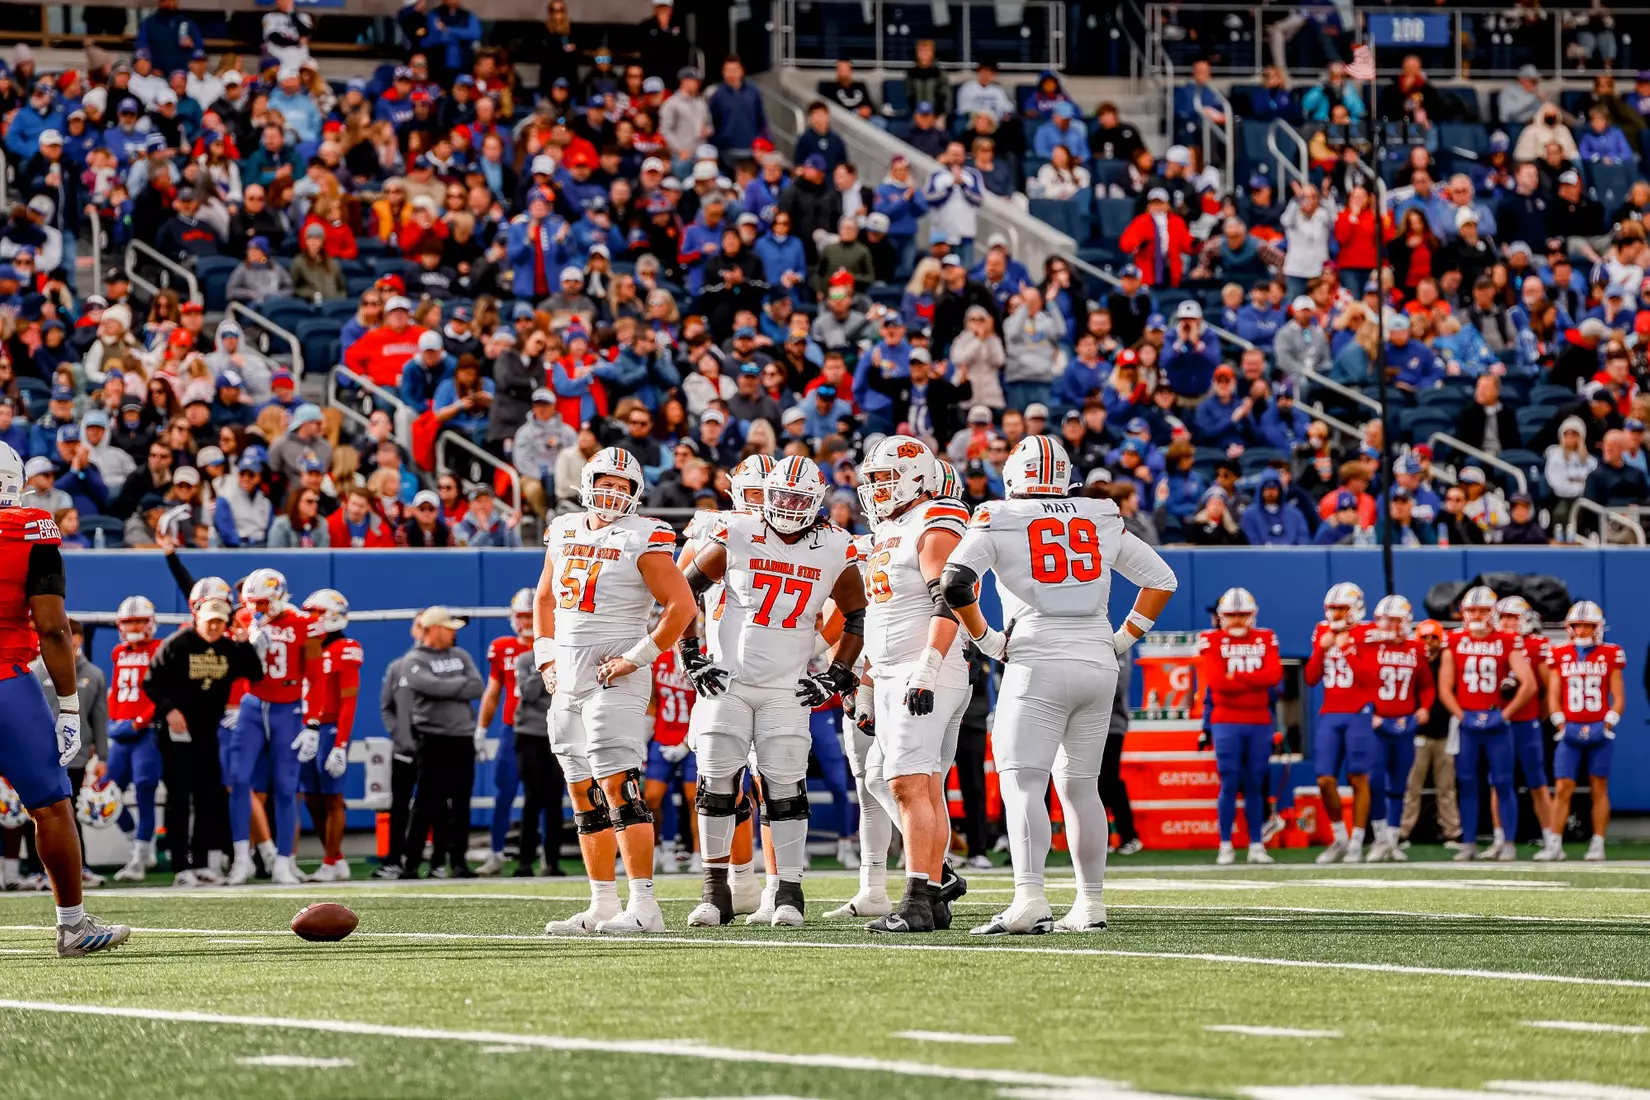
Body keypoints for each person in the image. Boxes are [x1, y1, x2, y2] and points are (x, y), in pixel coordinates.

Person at [944, 435, 1177, 934]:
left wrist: (985, 640)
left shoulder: (997, 517)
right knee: (1081, 787)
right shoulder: (1099, 514)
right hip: (1097, 660)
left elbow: (954, 583)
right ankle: (1091, 904)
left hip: (1036, 659)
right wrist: (1120, 639)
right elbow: (1162, 580)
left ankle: (1030, 897)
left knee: (1024, 782)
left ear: (1014, 476)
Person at [676, 456, 863, 929]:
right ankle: (715, 893)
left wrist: (837, 673)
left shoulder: (835, 546)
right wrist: (689, 653)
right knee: (716, 784)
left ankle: (789, 894)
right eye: (780, 496)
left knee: (785, 789)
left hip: (786, 687)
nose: (786, 507)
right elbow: (686, 590)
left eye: (798, 499)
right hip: (729, 683)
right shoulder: (737, 531)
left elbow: (857, 613)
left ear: (816, 504)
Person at [535, 447, 696, 935]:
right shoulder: (562, 529)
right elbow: (544, 597)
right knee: (581, 791)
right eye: (604, 482)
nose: (612, 492)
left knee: (619, 786)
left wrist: (637, 657)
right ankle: (602, 903)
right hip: (568, 678)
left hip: (614, 677)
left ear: (636, 492)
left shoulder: (644, 535)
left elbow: (682, 606)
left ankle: (645, 906)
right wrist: (545, 657)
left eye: (622, 486)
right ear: (586, 483)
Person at [0, 442, 131, 953]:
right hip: (7, 681)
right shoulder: (31, 528)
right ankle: (73, 926)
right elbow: (54, 631)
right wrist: (71, 705)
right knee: (51, 806)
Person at [141, 593, 263, 885]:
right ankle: (181, 867)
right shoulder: (178, 644)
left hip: (209, 730)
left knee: (209, 794)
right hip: (177, 731)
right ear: (198, 618)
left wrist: (245, 643)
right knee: (179, 796)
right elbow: (150, 682)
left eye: (220, 621)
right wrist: (169, 710)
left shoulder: (229, 648)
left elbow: (255, 673)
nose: (214, 626)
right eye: (210, 620)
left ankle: (202, 863)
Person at [225, 568, 318, 886]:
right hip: (252, 705)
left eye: (263, 602)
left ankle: (283, 862)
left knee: (285, 786)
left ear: (279, 596)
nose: (256, 609)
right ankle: (241, 859)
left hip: (288, 708)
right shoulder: (244, 620)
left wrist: (313, 722)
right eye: (251, 603)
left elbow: (316, 674)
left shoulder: (304, 624)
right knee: (238, 779)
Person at [1437, 586, 1537, 861]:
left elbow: (1528, 683)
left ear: (1492, 612)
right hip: (1467, 719)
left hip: (1496, 720)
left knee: (1504, 782)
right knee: (1467, 783)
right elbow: (1445, 688)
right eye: (1472, 610)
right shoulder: (1454, 640)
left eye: (1483, 610)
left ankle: (1508, 843)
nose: (1478, 615)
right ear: (1464, 613)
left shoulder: (1507, 639)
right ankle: (1468, 842)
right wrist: (1461, 715)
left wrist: (1504, 715)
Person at [398, 606, 484, 878]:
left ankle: (458, 862)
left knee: (460, 803)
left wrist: (446, 686)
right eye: (449, 628)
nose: (454, 633)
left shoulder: (461, 655)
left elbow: (476, 686)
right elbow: (430, 686)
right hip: (432, 740)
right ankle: (411, 864)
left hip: (461, 739)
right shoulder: (413, 660)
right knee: (425, 804)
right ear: (434, 629)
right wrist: (455, 685)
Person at [1198, 588, 1282, 865]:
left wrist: (1237, 675)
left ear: (1252, 615)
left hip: (1259, 720)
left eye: (1241, 615)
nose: (1235, 621)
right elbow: (1218, 683)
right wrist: (1253, 680)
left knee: (1256, 782)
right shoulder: (1211, 639)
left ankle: (1256, 844)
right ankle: (1226, 844)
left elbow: (1274, 675)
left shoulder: (1266, 637)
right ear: (1221, 616)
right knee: (1230, 780)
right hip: (1226, 720)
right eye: (1231, 615)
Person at [1543, 601, 1625, 862]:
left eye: (1587, 625)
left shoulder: (1610, 653)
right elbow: (1554, 694)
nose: (1582, 630)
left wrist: (1608, 723)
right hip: (1571, 728)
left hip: (1599, 729)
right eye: (1578, 625)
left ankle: (1598, 843)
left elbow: (1619, 697)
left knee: (1599, 786)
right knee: (1563, 785)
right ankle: (1555, 843)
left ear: (1597, 627)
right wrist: (1559, 722)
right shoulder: (1560, 653)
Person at [1305, 583, 1379, 863]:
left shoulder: (1367, 631)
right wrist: (1320, 651)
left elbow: (1370, 679)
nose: (1336, 614)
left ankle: (1358, 842)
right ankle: (1340, 837)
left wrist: (1348, 650)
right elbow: (1311, 678)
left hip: (1358, 712)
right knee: (1325, 780)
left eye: (1342, 608)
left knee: (1359, 778)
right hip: (1331, 712)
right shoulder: (1321, 630)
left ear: (1356, 608)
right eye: (1333, 609)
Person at [1362, 596, 1434, 864]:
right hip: (1378, 724)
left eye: (1395, 620)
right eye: (1386, 620)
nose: (1390, 626)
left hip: (1405, 724)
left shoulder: (1416, 649)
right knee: (1375, 781)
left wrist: (1424, 708)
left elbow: (1426, 684)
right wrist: (1369, 710)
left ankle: (1392, 839)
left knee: (1399, 785)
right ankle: (1380, 837)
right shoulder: (1369, 645)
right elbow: (1358, 681)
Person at [293, 589, 359, 882]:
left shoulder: (346, 648)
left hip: (331, 729)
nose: (311, 619)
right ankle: (336, 859)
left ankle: (331, 860)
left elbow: (349, 700)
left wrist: (341, 744)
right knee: (310, 797)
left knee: (332, 798)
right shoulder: (310, 646)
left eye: (317, 613)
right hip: (308, 728)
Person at [104, 595, 164, 883]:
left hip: (147, 732)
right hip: (122, 731)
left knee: (144, 789)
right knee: (106, 794)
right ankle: (136, 843)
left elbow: (162, 692)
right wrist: (113, 720)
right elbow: (116, 689)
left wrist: (142, 720)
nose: (134, 627)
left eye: (139, 621)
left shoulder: (159, 649)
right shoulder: (118, 652)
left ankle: (140, 858)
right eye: (129, 622)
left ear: (151, 622)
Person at [1493, 596, 1558, 862]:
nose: (1508, 622)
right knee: (1498, 783)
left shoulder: (1536, 645)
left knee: (1538, 782)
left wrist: (1539, 715)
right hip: (1498, 724)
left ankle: (1552, 838)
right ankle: (1501, 839)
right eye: (1504, 616)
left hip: (1527, 723)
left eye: (1514, 617)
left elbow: (1549, 687)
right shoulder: (1493, 644)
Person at [475, 588, 534, 876]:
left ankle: (545, 856)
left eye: (532, 615)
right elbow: (493, 691)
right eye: (523, 615)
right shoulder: (503, 647)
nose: (528, 622)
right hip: (513, 728)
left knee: (545, 797)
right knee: (504, 792)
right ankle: (496, 852)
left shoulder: (557, 644)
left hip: (548, 729)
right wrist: (481, 730)